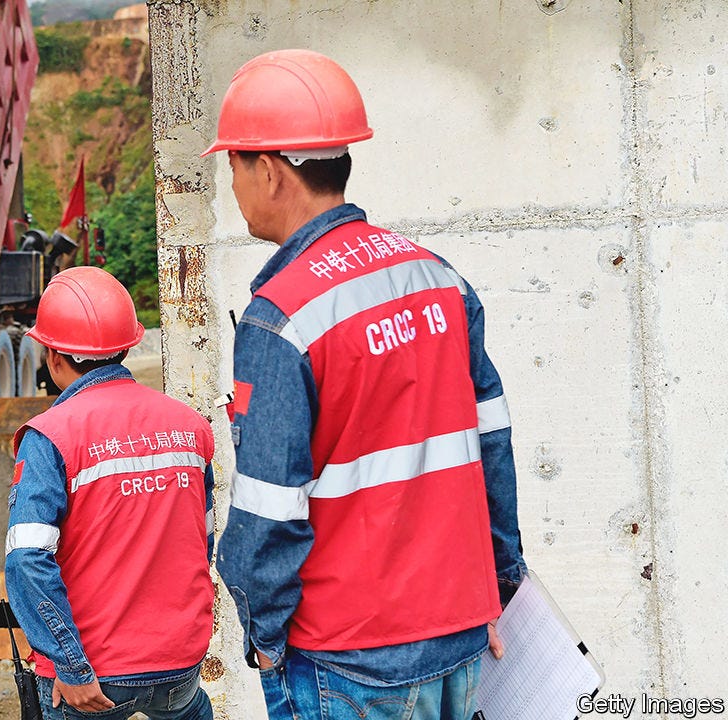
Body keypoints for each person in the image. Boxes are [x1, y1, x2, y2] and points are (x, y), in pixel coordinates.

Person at [207, 50, 528, 719]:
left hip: (348, 660)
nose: (229, 186)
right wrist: (499, 589)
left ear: (267, 171)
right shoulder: (437, 278)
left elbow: (267, 516)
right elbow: (490, 448)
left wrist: (265, 639)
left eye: (230, 166)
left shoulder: (282, 318)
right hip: (459, 639)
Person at [4, 266, 217, 720]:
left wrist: (70, 664)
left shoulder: (51, 436)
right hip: (179, 663)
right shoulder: (189, 426)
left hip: (91, 676)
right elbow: (204, 540)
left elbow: (26, 559)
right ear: (126, 345)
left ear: (53, 355)